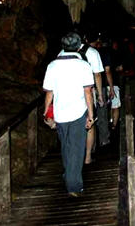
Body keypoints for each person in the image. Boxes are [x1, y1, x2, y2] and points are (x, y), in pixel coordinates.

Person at [42, 32, 95, 197]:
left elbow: (49, 92)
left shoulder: (52, 66)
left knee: (65, 146)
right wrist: (91, 115)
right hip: (78, 111)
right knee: (76, 148)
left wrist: (46, 113)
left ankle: (68, 174)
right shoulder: (84, 66)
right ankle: (73, 185)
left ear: (63, 46)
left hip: (60, 112)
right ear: (79, 47)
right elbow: (87, 92)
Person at [78, 31, 105, 164]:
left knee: (74, 123)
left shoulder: (62, 53)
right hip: (88, 91)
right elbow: (98, 75)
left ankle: (76, 154)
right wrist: (100, 95)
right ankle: (88, 156)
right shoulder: (93, 53)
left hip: (69, 93)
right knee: (90, 122)